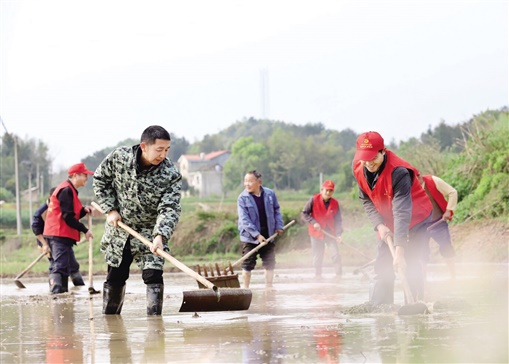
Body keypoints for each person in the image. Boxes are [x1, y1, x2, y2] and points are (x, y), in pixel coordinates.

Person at [93, 125, 182, 316]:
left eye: (167, 150)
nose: (163, 155)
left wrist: (160, 235)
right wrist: (110, 209)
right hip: (121, 229)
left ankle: (155, 328)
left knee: (153, 276)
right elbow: (100, 180)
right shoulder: (119, 158)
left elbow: (170, 207)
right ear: (144, 146)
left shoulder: (171, 174)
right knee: (116, 276)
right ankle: (111, 324)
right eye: (159, 150)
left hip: (150, 233)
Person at [352, 131, 432, 305]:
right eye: (365, 158)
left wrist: (400, 251)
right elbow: (366, 199)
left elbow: (402, 213)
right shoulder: (359, 167)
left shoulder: (399, 172)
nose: (369, 163)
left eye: (373, 157)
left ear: (383, 151)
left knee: (409, 261)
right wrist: (379, 225)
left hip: (415, 218)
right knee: (383, 263)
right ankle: (382, 307)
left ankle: (415, 304)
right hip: (387, 219)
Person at [43, 163, 94, 294]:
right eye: (84, 175)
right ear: (75, 175)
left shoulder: (70, 190)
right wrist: (85, 230)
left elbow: (72, 213)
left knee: (65, 266)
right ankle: (56, 294)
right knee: (59, 266)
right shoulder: (66, 190)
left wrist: (83, 211)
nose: (86, 179)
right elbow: (67, 217)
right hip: (58, 233)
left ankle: (62, 296)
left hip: (61, 234)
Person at [237, 170, 284, 289]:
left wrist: (279, 226)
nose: (247, 184)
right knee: (248, 263)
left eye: (250, 181)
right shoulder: (242, 198)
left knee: (269, 262)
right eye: (245, 181)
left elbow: (276, 210)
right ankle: (245, 289)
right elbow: (244, 220)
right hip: (250, 237)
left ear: (259, 182)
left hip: (268, 234)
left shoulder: (269, 194)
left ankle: (269, 287)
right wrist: (257, 235)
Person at [32, 187, 86, 287]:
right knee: (56, 265)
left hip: (62, 239)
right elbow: (36, 229)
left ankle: (78, 286)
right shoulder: (41, 212)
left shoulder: (62, 206)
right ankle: (56, 290)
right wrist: (44, 244)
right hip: (46, 241)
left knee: (72, 264)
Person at [301, 180, 344, 279]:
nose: (328, 193)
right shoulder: (313, 199)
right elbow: (304, 213)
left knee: (335, 255)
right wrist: (314, 222)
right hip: (316, 233)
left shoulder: (335, 203)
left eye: (330, 191)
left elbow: (338, 221)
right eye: (326, 190)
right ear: (322, 190)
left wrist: (338, 234)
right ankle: (318, 276)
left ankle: (339, 276)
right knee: (318, 257)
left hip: (330, 233)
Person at [418, 174, 458, 279]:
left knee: (446, 247)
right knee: (421, 253)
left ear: (419, 176)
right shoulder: (406, 187)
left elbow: (452, 192)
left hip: (438, 222)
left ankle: (453, 276)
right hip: (419, 227)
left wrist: (449, 211)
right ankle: (423, 281)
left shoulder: (433, 180)